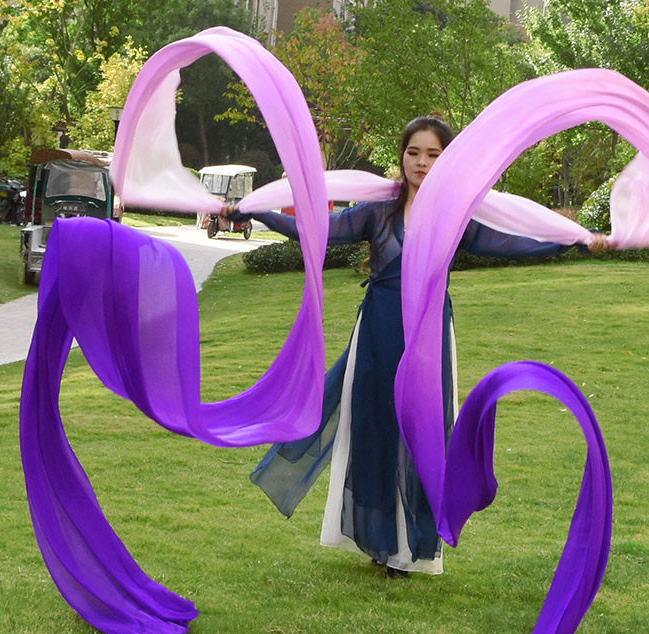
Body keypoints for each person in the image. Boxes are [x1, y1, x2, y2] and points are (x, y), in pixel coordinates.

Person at [225, 114, 611, 578]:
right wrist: (256, 213)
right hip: (377, 332)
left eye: (432, 154)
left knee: (421, 434)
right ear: (402, 156)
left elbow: (512, 243)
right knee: (372, 428)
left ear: (447, 160)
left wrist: (575, 242)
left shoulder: (455, 216)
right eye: (413, 152)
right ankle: (378, 539)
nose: (421, 162)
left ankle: (409, 550)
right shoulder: (378, 212)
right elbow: (318, 228)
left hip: (427, 338)